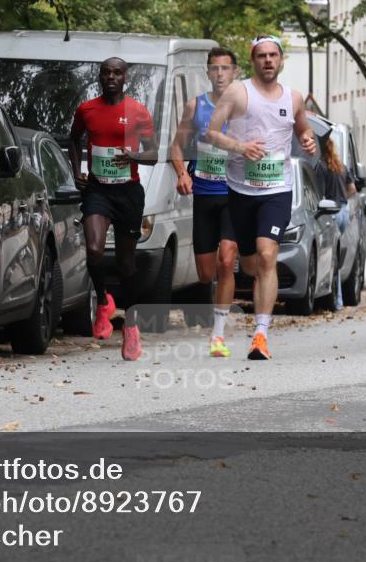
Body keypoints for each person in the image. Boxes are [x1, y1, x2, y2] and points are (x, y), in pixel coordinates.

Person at [205, 35, 317, 360]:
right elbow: (211, 133)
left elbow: (303, 130)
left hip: (277, 190)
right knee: (250, 264)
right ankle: (224, 329)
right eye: (262, 55)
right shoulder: (239, 93)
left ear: (281, 61)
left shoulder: (294, 98)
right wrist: (241, 148)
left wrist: (308, 141)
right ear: (253, 60)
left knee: (269, 257)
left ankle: (261, 335)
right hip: (240, 190)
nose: (268, 60)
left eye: (273, 55)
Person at [68, 57, 158, 361]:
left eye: (117, 73)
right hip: (97, 190)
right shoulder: (87, 109)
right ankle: (104, 301)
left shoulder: (137, 111)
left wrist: (133, 156)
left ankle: (131, 328)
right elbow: (73, 140)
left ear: (125, 78)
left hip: (128, 193)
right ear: (99, 77)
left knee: (126, 265)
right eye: (106, 73)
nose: (111, 77)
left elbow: (154, 153)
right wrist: (76, 172)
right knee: (94, 249)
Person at [168, 47, 240, 357]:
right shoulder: (195, 106)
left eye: (226, 68)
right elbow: (176, 146)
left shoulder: (245, 108)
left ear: (235, 72)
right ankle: (218, 311)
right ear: (208, 72)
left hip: (235, 195)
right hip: (204, 195)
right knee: (206, 273)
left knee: (227, 260)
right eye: (215, 68)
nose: (220, 73)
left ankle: (218, 334)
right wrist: (182, 172)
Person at [315, 135, 356, 310]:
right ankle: (337, 300)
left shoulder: (321, 167)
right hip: (343, 211)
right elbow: (352, 188)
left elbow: (319, 193)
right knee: (335, 255)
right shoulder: (342, 167)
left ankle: (335, 300)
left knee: (328, 256)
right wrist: (342, 200)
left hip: (329, 212)